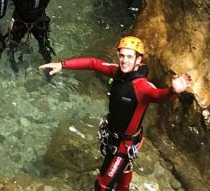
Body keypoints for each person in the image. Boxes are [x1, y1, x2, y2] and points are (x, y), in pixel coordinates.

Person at [39, 36, 191, 191]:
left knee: (102, 185)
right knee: (124, 173)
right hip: (114, 136)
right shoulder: (118, 73)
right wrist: (62, 65)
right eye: (122, 55)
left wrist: (172, 91)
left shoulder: (142, 87)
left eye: (130, 57)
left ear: (138, 60)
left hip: (124, 145)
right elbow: (93, 63)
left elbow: (158, 95)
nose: (124, 60)